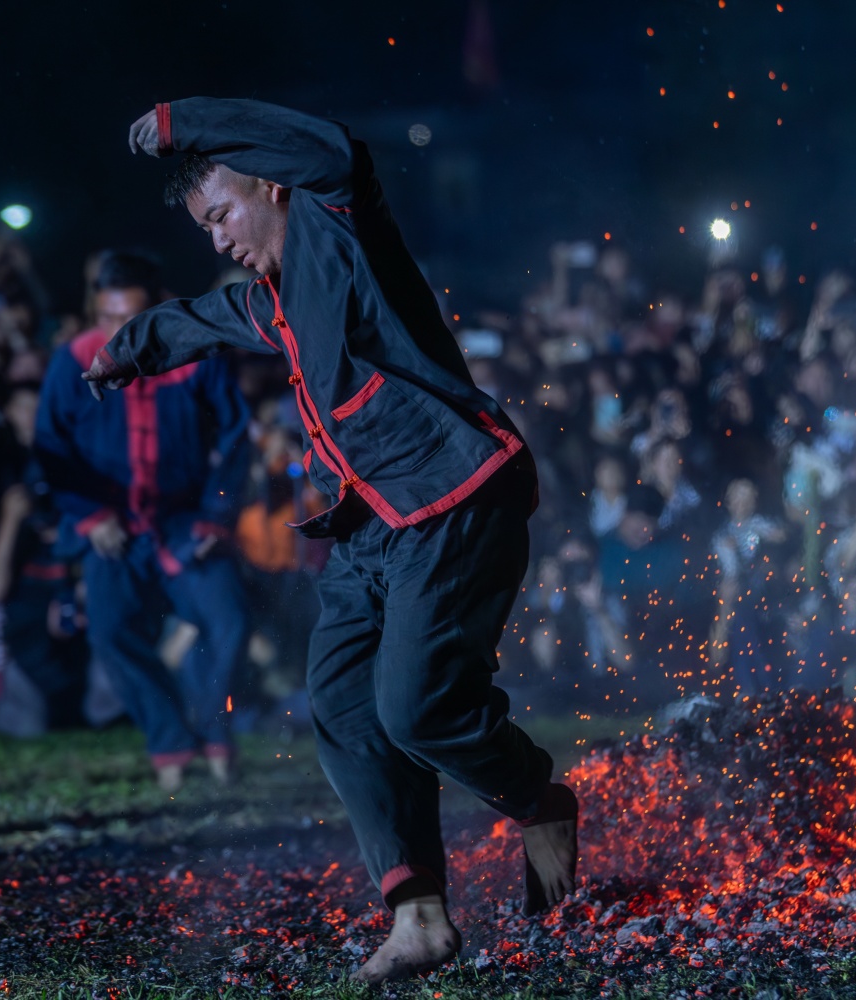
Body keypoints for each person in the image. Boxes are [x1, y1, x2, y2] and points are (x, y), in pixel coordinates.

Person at [82, 99, 577, 983]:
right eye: (204, 229)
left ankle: (538, 799)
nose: (218, 239)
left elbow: (335, 151)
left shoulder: (335, 223)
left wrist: (181, 121)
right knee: (344, 704)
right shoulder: (274, 299)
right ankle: (418, 919)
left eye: (222, 215)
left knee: (417, 710)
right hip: (366, 528)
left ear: (271, 185)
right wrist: (132, 347)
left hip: (450, 497)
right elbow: (210, 317)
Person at [38, 250, 251, 792]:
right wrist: (89, 516)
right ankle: (169, 738)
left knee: (228, 619)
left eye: (129, 318)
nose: (117, 330)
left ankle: (215, 731)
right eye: (107, 317)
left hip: (183, 522)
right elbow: (50, 450)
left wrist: (216, 516)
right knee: (110, 631)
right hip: (113, 529)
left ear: (157, 308)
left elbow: (234, 437)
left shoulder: (195, 353)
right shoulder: (72, 360)